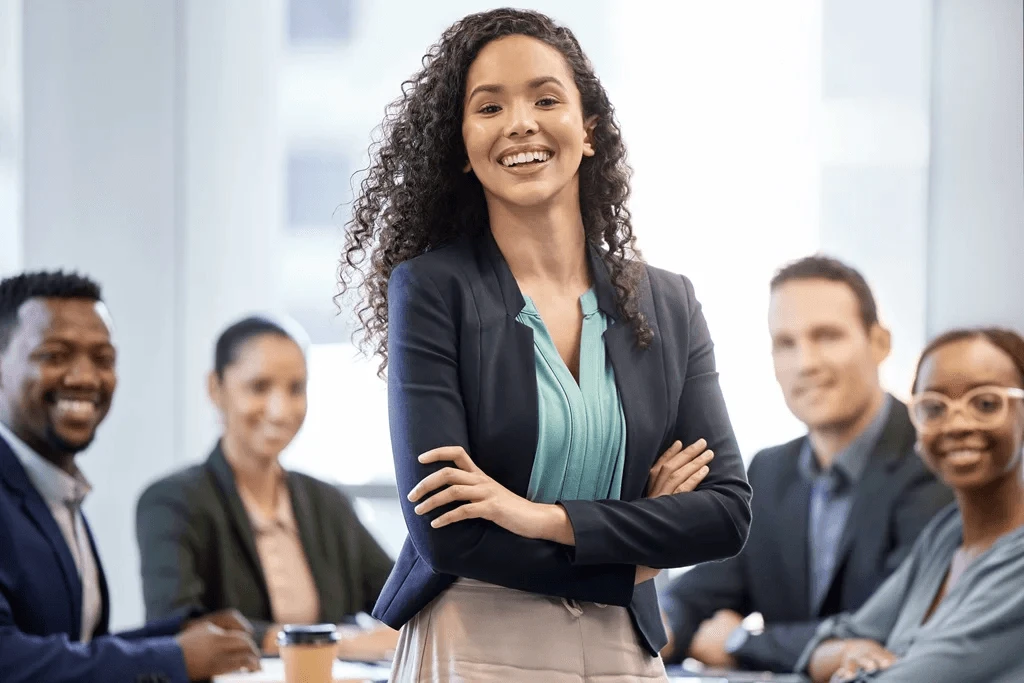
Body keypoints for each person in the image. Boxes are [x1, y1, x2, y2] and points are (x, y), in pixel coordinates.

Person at [336, 8, 752, 682]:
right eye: (489, 106)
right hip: (476, 634)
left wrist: (538, 517)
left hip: (623, 645)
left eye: (546, 98)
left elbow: (727, 511)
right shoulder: (433, 290)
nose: (520, 122)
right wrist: (639, 544)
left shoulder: (667, 302)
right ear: (464, 146)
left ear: (588, 129)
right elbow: (447, 532)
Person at [660, 256, 953, 673]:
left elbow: (891, 631)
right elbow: (699, 593)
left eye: (827, 336)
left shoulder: (932, 459)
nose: (805, 364)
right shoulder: (769, 469)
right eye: (786, 343)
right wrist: (656, 627)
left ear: (880, 343)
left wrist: (743, 641)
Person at [0, 270, 261, 683]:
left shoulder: (55, 491)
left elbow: (73, 647)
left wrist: (175, 636)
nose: (86, 377)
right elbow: (9, 659)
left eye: (103, 358)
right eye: (54, 355)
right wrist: (171, 658)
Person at [136, 316, 397, 658]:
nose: (280, 410)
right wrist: (333, 643)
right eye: (259, 387)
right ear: (216, 389)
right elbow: (178, 625)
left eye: (295, 389)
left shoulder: (327, 503)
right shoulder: (171, 502)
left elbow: (400, 600)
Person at [799, 327, 1024, 682]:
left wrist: (846, 669)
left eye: (985, 404)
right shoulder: (946, 536)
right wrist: (849, 651)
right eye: (934, 407)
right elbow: (823, 646)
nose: (957, 423)